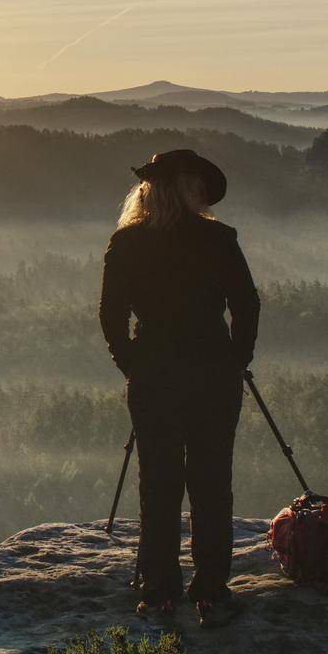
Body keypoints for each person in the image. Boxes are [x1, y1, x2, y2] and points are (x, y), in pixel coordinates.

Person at [98, 149, 260, 629]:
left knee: (159, 484)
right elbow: (246, 305)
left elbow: (110, 316)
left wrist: (132, 362)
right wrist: (236, 358)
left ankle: (159, 593)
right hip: (214, 374)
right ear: (186, 189)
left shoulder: (127, 244)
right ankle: (211, 591)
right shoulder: (218, 239)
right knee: (212, 483)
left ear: (149, 191)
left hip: (154, 377)